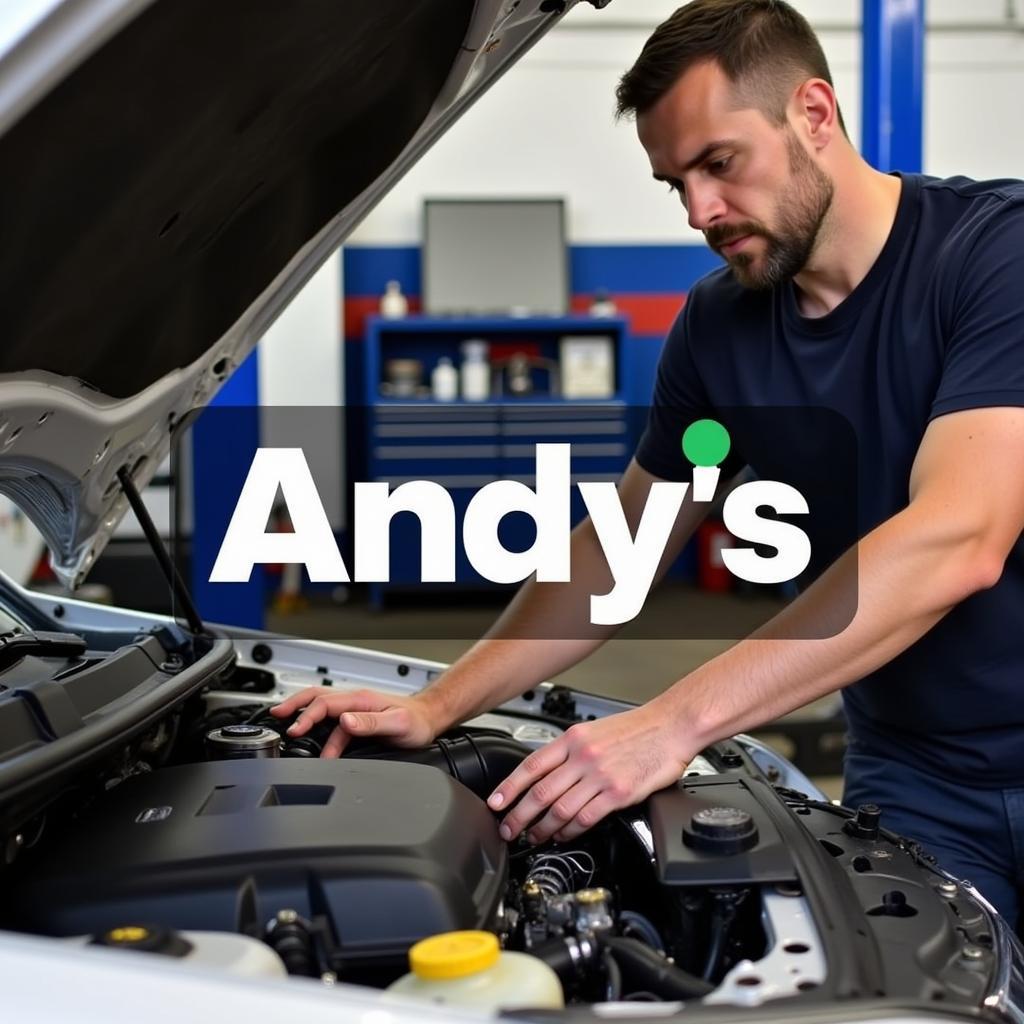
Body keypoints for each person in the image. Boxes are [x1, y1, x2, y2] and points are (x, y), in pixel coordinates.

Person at [272, 0, 1024, 927]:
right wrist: (438, 704)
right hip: (916, 773)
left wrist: (673, 721)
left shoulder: (994, 256)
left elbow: (961, 535)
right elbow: (619, 553)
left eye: (720, 163)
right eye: (676, 183)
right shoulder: (723, 331)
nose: (701, 211)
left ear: (815, 116)